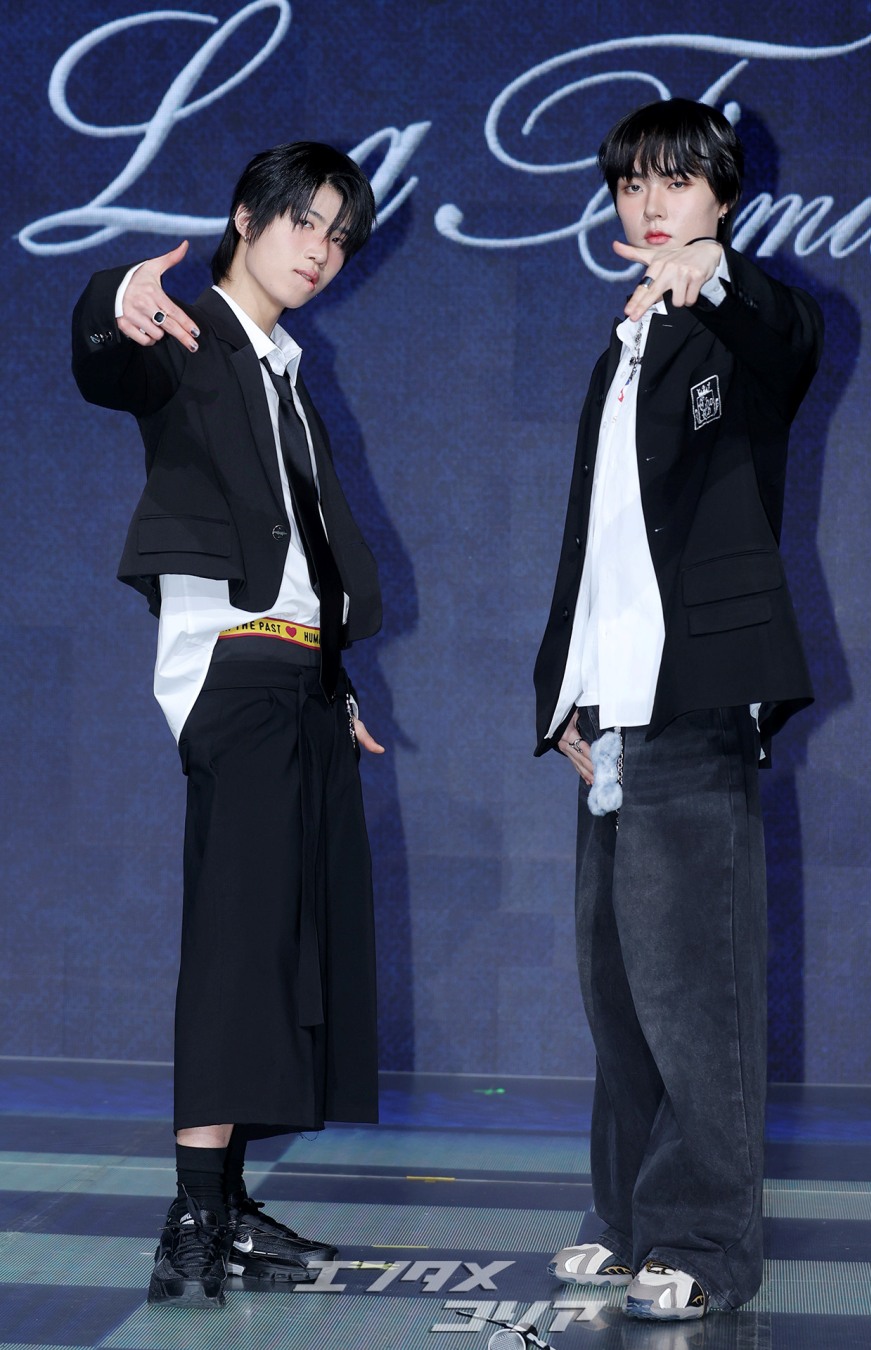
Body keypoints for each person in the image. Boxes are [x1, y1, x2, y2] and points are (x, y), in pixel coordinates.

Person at [72, 142, 384, 1308]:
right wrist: (116, 298)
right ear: (246, 218)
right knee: (236, 944)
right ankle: (194, 1221)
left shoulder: (286, 368)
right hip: (235, 670)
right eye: (303, 222)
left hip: (300, 676)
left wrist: (337, 682)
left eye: (339, 236)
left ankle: (230, 1205)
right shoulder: (189, 335)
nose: (320, 251)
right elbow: (106, 357)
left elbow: (306, 552)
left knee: (284, 948)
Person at [534, 99, 822, 1320]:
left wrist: (717, 274)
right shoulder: (622, 346)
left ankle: (706, 1247)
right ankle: (628, 1217)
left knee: (696, 995)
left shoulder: (743, 328)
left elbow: (788, 336)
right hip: (610, 714)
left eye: (677, 182)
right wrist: (565, 691)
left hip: (696, 705)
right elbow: (598, 546)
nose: (650, 205)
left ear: (723, 198)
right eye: (631, 185)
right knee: (619, 994)